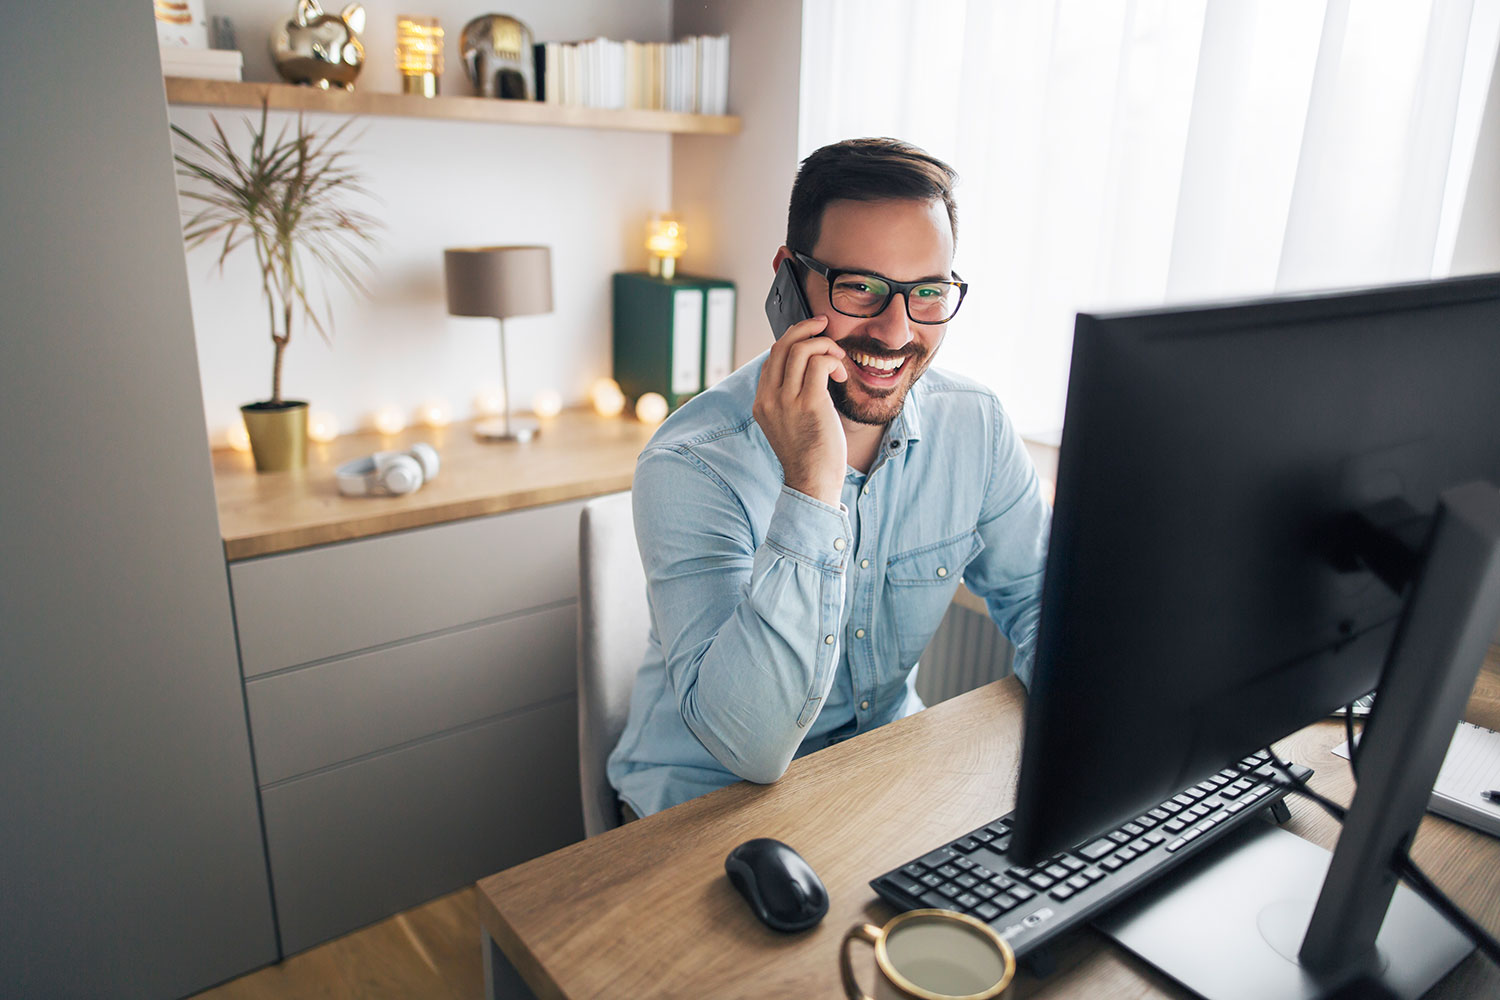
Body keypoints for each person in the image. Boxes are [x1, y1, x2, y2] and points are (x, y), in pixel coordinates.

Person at [606, 138, 1051, 820]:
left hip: (879, 773)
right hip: (700, 803)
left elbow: (1042, 600)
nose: (897, 331)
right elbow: (749, 750)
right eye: (862, 287)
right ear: (788, 279)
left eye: (928, 292)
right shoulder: (692, 461)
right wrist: (811, 483)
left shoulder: (977, 427)